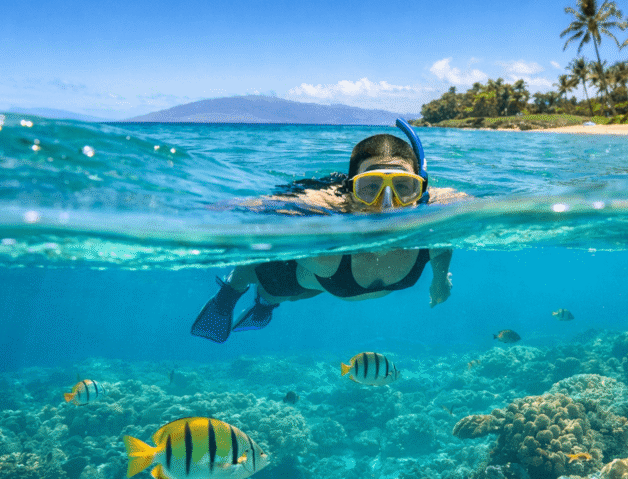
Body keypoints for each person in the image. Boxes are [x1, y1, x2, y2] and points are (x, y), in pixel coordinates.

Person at [191, 120, 455, 343]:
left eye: (404, 187)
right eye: (370, 187)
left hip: (326, 283)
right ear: (351, 191)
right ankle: (229, 295)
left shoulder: (433, 225)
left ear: (421, 191)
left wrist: (439, 280)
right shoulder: (325, 242)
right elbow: (254, 221)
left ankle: (265, 305)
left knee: (300, 294)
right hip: (311, 274)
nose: (387, 207)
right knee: (273, 287)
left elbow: (443, 245)